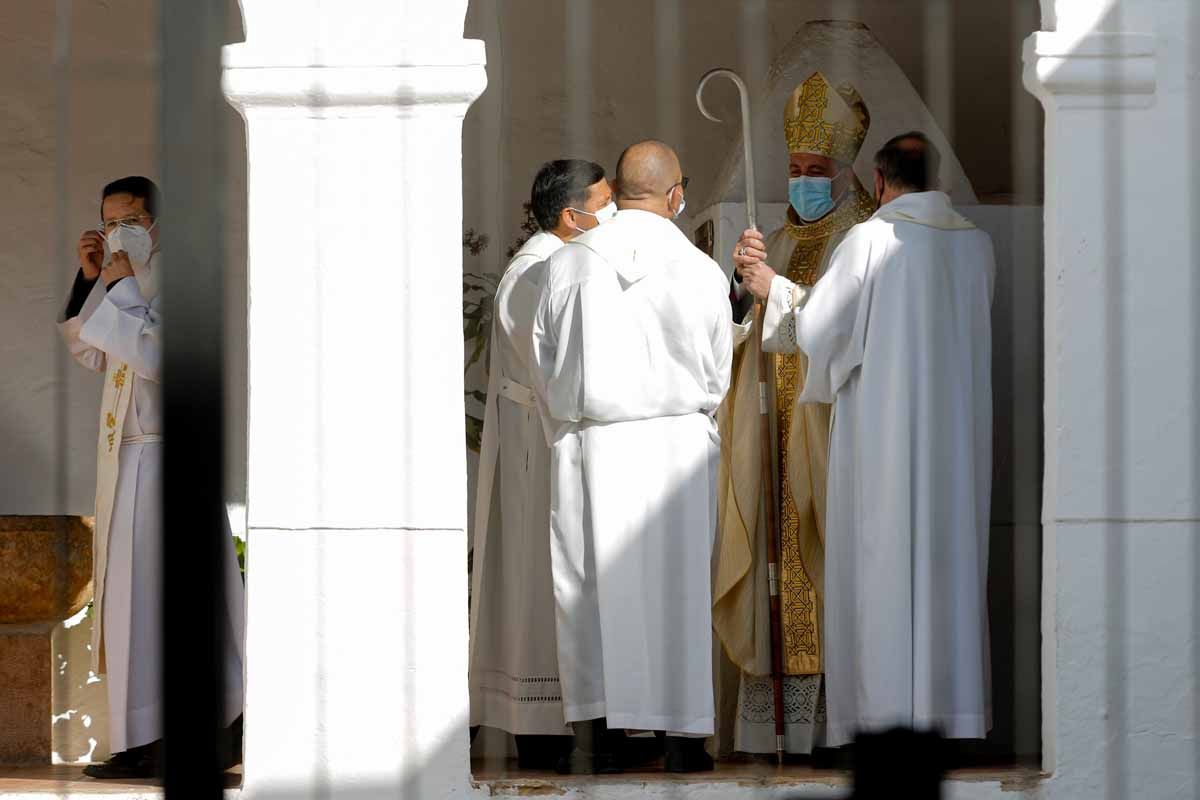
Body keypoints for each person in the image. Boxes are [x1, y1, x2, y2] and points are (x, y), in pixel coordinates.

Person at [734, 133, 995, 746]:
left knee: (882, 570)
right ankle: (951, 718)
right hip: (957, 446)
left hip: (885, 441)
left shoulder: (871, 239)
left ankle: (881, 724)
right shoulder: (977, 246)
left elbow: (824, 330)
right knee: (948, 570)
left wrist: (774, 288)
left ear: (877, 183)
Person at [530, 140, 732, 774]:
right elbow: (716, 371)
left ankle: (595, 737)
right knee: (678, 589)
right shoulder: (699, 268)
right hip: (675, 446)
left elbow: (547, 362)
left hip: (593, 442)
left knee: (588, 589)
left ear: (615, 194)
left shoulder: (568, 265)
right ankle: (681, 742)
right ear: (675, 194)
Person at [58, 177, 246, 779]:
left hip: (172, 461)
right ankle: (140, 738)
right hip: (127, 463)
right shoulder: (120, 277)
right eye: (111, 222)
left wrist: (123, 289)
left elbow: (162, 359)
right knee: (131, 610)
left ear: (157, 223)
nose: (121, 233)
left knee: (169, 603)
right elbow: (88, 349)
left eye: (133, 219)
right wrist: (91, 280)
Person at [713, 69, 874, 756]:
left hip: (830, 435)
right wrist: (743, 290)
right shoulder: (775, 238)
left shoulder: (864, 237)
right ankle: (769, 729)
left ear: (845, 171)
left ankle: (836, 729)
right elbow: (739, 334)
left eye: (817, 169)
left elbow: (844, 328)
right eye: (795, 168)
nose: (804, 180)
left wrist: (778, 291)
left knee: (826, 563)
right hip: (770, 442)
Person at [469, 159, 613, 769]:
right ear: (569, 215)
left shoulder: (559, 262)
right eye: (603, 206)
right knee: (539, 577)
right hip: (540, 439)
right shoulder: (538, 271)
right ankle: (543, 725)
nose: (611, 217)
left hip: (547, 433)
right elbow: (552, 367)